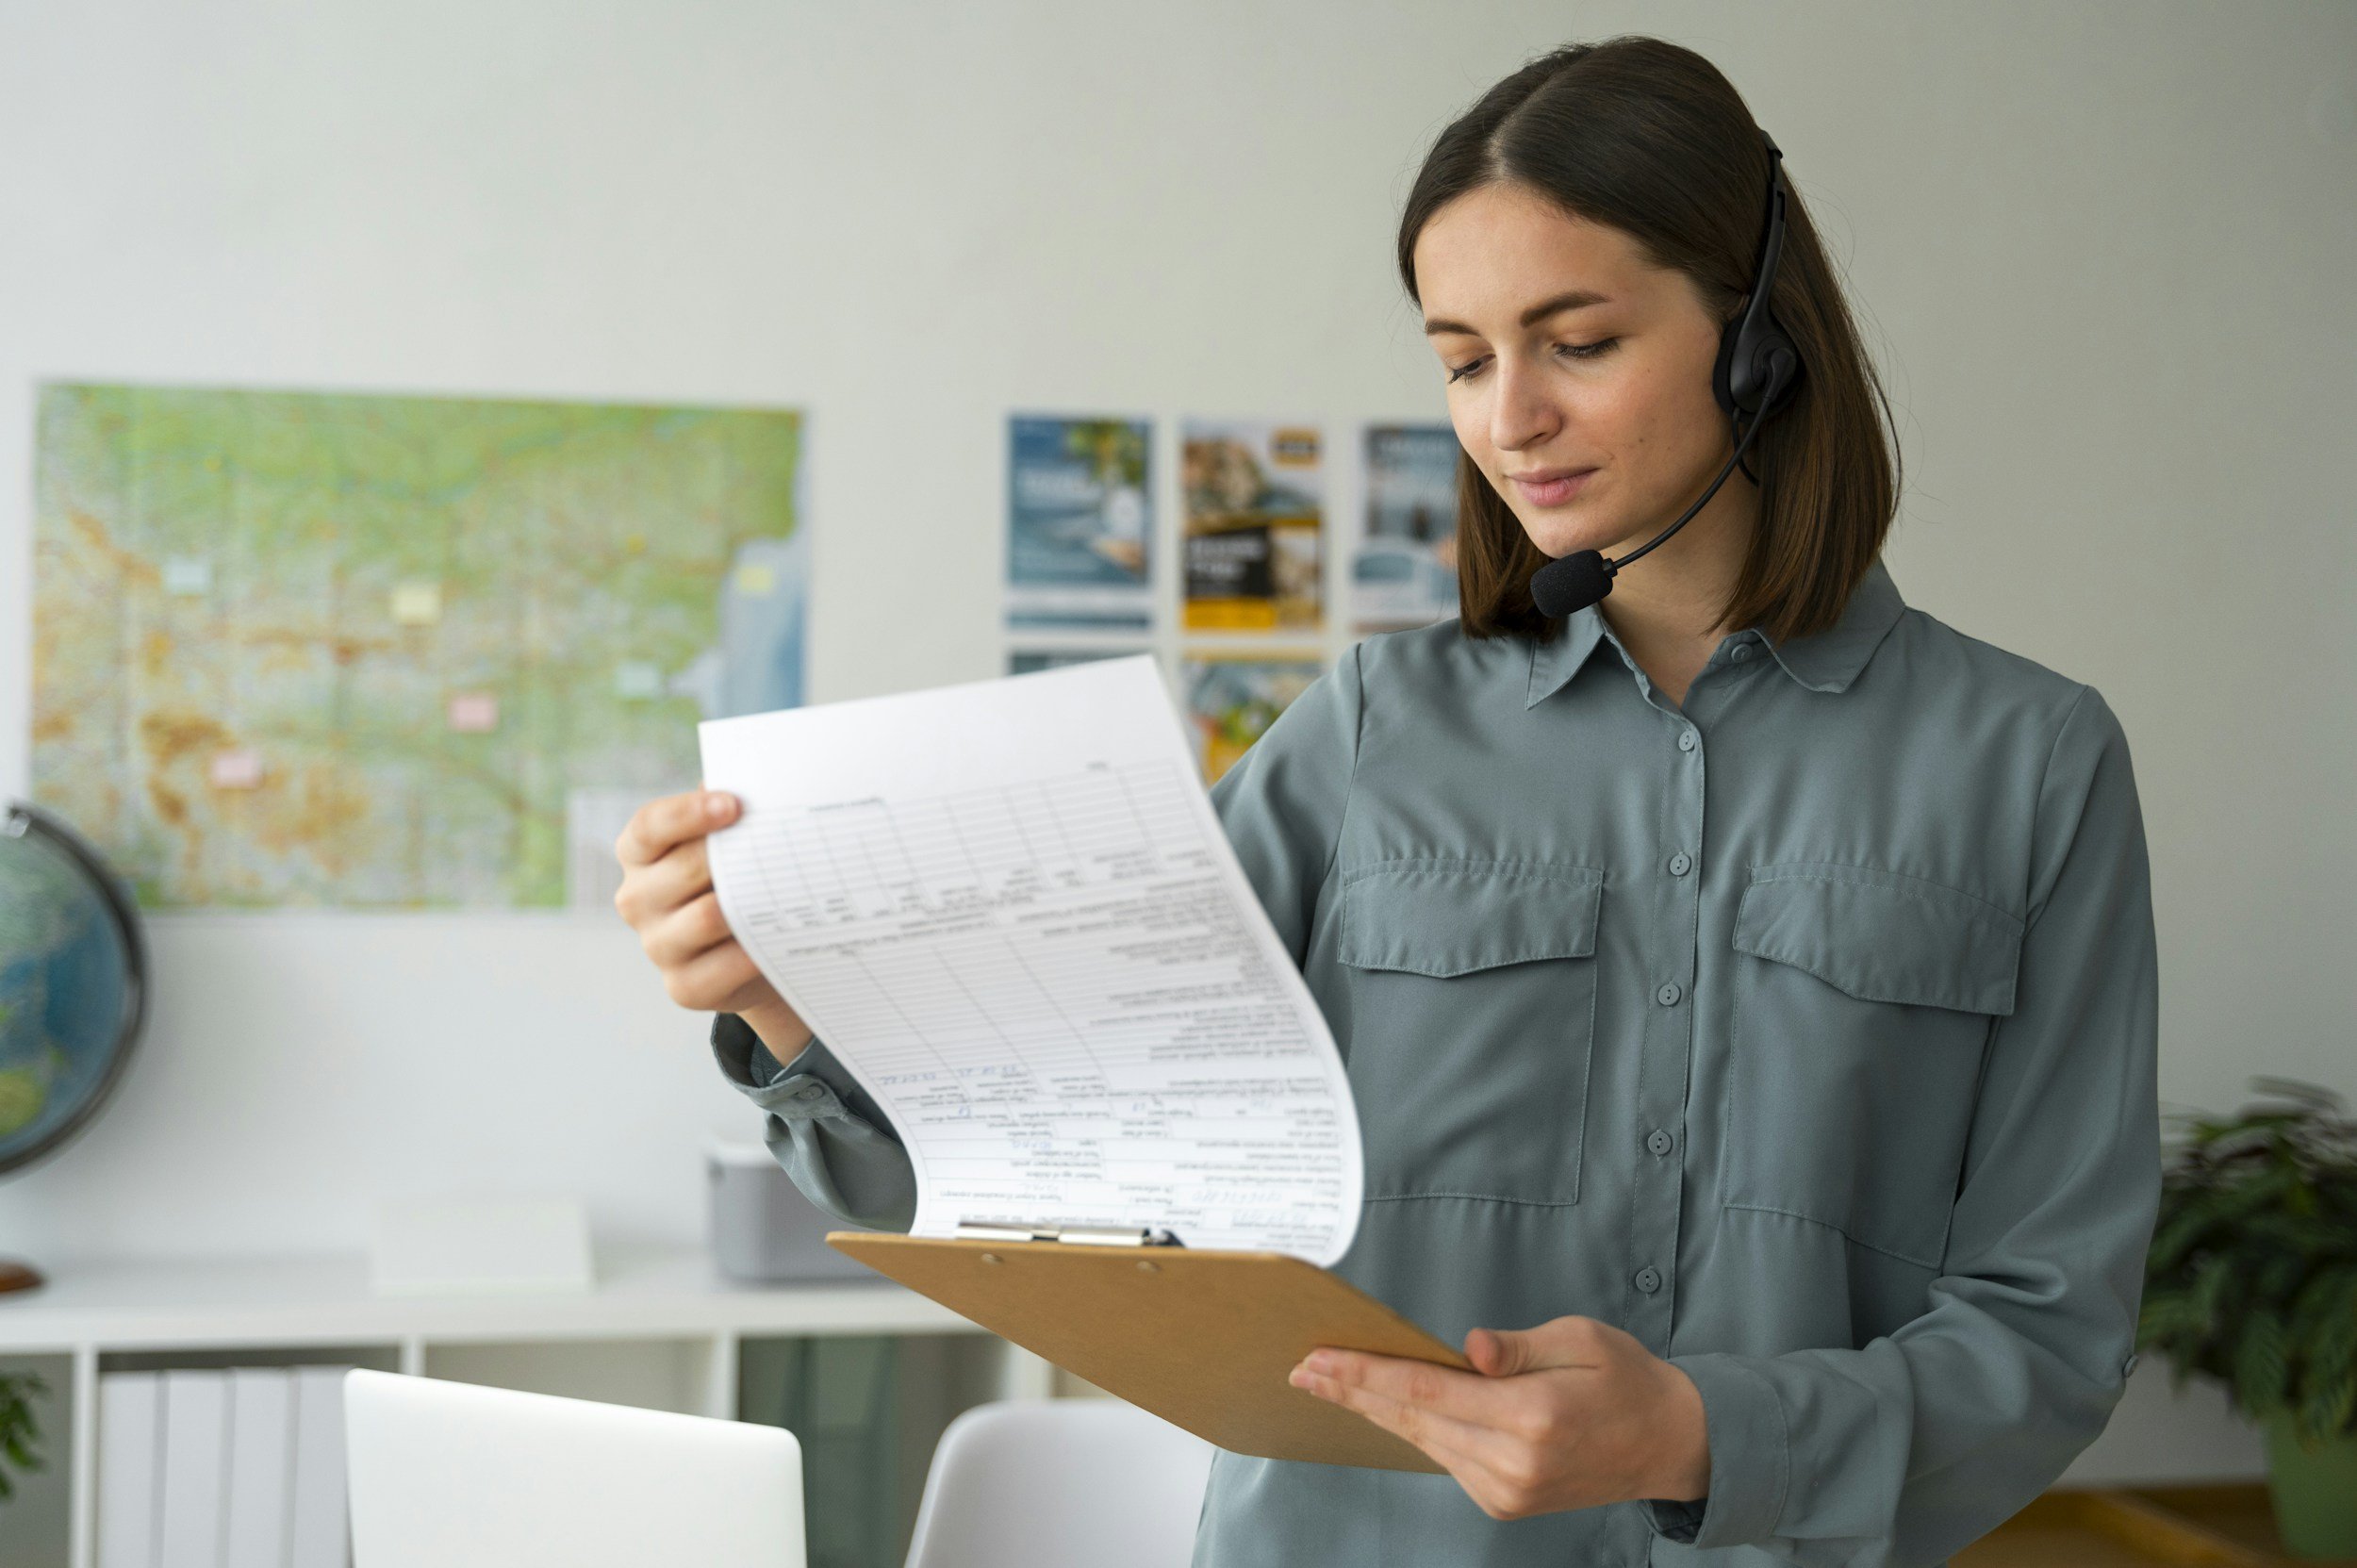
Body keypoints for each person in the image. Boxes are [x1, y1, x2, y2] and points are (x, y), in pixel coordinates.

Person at [612, 35, 2159, 1568]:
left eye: (1580, 342)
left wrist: (1700, 1431)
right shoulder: (1364, 733)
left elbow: (2049, 1330)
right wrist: (798, 1006)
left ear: (1758, 339)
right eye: (1466, 360)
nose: (1510, 420)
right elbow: (1066, 1190)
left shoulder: (2032, 765)